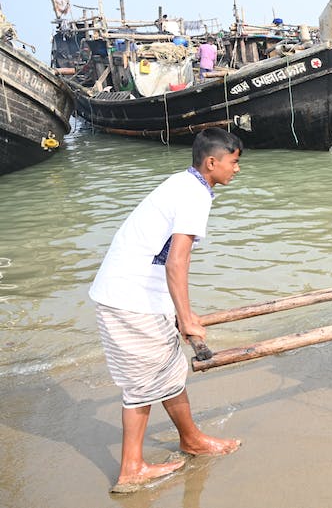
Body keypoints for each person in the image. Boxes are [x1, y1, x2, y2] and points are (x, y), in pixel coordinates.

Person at [90, 128, 242, 491]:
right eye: (234, 162)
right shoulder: (194, 195)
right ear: (212, 162)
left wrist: (177, 312)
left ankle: (191, 439)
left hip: (133, 294)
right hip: (129, 301)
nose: (237, 170)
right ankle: (131, 469)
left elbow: (162, 261)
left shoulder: (185, 184)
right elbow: (176, 263)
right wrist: (187, 318)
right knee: (142, 385)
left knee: (167, 370)